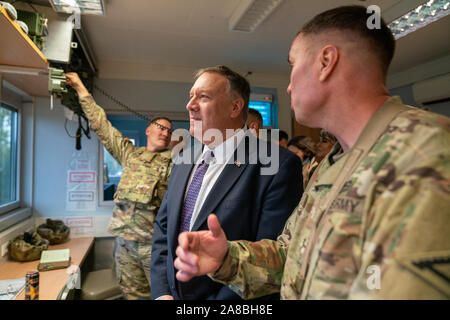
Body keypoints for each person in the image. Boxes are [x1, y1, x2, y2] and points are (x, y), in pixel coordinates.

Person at [173, 6, 450, 299]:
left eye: (293, 65)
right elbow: (292, 255)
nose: (289, 86)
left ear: (326, 61)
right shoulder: (332, 163)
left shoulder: (423, 152)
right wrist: (227, 259)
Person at [151, 65, 303, 300]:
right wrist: (162, 293)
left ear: (235, 107)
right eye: (191, 96)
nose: (190, 105)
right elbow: (163, 231)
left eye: (203, 97)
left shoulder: (277, 165)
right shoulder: (183, 159)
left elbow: (272, 263)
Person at [66, 73, 173, 300]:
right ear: (148, 130)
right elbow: (101, 125)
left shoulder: (175, 164)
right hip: (124, 244)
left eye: (169, 130)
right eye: (160, 127)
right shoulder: (130, 155)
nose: (165, 132)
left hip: (153, 247)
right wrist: (80, 88)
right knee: (132, 295)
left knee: (164, 296)